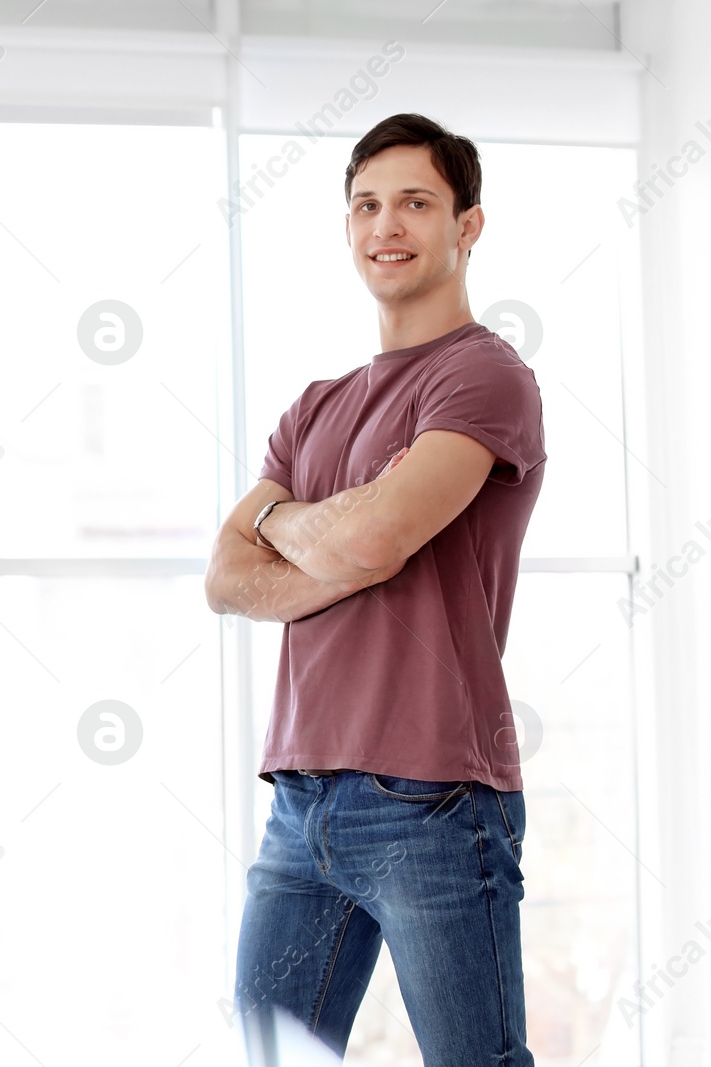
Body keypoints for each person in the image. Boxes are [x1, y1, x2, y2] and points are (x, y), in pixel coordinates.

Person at [204, 112, 546, 1064]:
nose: (384, 225)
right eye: (366, 205)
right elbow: (226, 577)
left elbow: (383, 535)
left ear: (467, 225)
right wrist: (320, 537)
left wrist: (288, 527)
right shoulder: (314, 405)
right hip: (299, 796)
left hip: (431, 796)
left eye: (415, 203)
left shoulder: (484, 377)